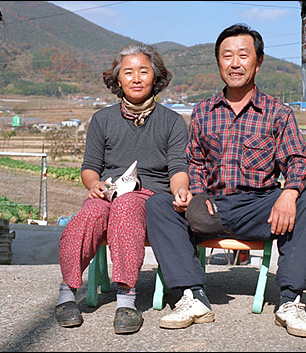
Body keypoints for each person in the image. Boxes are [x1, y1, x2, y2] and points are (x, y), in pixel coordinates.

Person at [145, 24, 306, 338]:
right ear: (218, 63)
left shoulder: (277, 113)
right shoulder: (203, 111)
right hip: (212, 207)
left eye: (243, 55)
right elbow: (194, 162)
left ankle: (290, 301)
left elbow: (298, 162)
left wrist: (289, 193)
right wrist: (192, 194)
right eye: (227, 56)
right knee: (159, 203)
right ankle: (191, 296)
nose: (235, 63)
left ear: (259, 61)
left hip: (261, 208)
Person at [55, 43, 190, 334]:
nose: (137, 78)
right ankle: (67, 291)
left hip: (149, 196)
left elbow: (178, 168)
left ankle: (126, 298)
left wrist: (181, 190)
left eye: (144, 71)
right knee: (88, 215)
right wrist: (95, 185)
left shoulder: (173, 122)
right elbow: (89, 166)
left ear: (156, 78)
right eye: (128, 72)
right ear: (118, 80)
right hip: (109, 192)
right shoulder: (102, 120)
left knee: (127, 207)